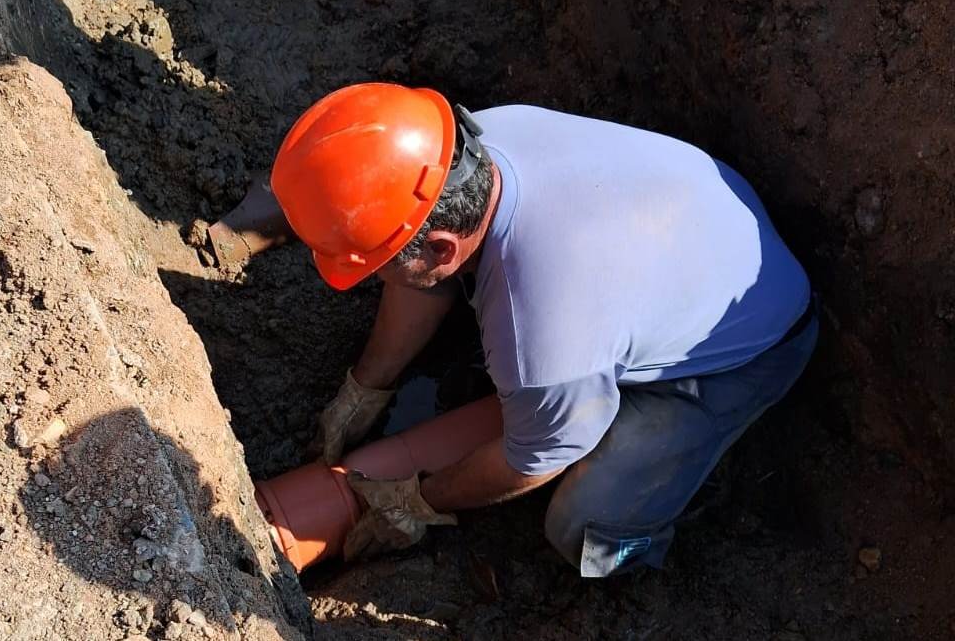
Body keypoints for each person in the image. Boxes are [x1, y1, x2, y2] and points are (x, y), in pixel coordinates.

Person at [238, 83, 816, 577]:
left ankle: (665, 514)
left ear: (441, 247)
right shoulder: (473, 148)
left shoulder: (543, 336)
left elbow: (534, 459)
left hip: (747, 350)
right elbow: (426, 276)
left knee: (582, 529)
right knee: (537, 370)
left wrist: (417, 500)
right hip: (708, 227)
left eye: (374, 264)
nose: (369, 278)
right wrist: (367, 386)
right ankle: (605, 376)